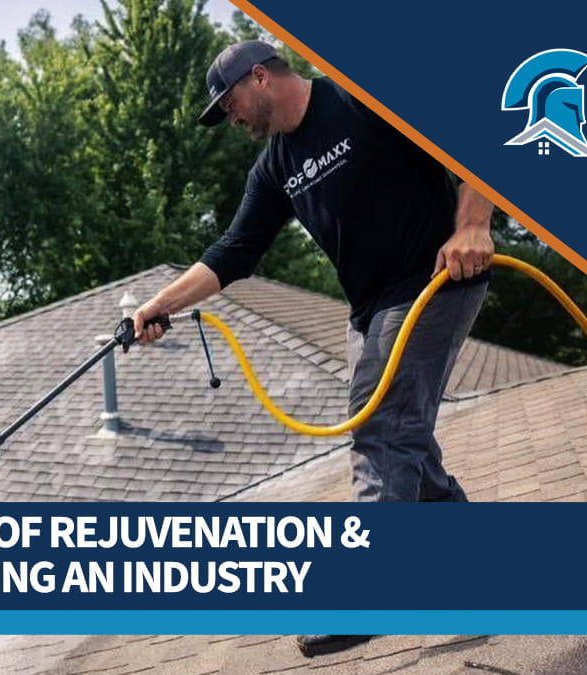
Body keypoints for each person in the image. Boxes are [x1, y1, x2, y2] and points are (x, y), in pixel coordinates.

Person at [132, 41, 495, 657]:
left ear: (260, 77)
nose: (230, 118)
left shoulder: (358, 96)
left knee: (382, 427)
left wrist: (473, 225)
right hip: (369, 310)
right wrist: (160, 304)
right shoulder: (275, 167)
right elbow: (234, 251)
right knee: (399, 434)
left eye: (229, 104)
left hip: (435, 279)